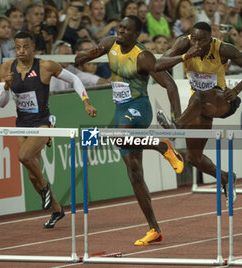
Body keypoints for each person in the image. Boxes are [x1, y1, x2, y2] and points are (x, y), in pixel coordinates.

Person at [75, 15, 184, 246]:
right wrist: (83, 56)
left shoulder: (143, 56)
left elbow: (170, 84)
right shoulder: (110, 43)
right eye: (120, 27)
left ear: (136, 35)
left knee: (120, 135)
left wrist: (177, 117)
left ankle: (161, 145)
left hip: (139, 108)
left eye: (126, 30)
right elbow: (83, 58)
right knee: (134, 173)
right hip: (120, 109)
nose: (120, 31)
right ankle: (154, 229)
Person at [155, 21, 242, 205]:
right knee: (193, 158)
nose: (197, 44)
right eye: (194, 39)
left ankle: (175, 127)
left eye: (202, 41)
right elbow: (158, 65)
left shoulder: (222, 49)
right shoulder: (184, 43)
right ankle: (226, 178)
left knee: (198, 97)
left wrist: (237, 89)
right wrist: (184, 57)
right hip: (198, 108)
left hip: (222, 100)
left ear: (210, 39)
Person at [0, 31, 97, 228]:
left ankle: (45, 189)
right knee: (32, 176)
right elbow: (1, 104)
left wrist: (86, 102)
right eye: (17, 47)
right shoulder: (6, 67)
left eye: (25, 46)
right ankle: (57, 210)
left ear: (33, 47)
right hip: (22, 124)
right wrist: (6, 86)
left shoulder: (45, 66)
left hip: (43, 123)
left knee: (24, 156)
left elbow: (75, 80)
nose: (21, 51)